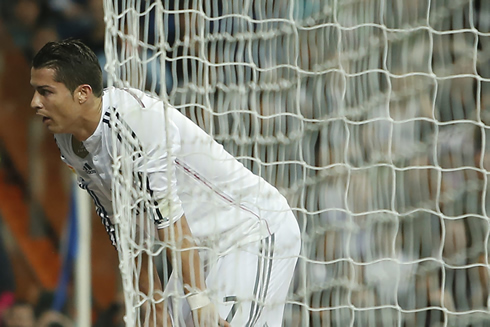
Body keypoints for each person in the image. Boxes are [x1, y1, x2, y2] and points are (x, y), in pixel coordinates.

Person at [29, 39, 301, 327]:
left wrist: (197, 298)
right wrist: (155, 307)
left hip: (248, 232)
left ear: (82, 93)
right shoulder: (67, 141)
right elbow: (125, 230)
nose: (34, 102)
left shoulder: (135, 121)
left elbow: (168, 218)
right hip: (197, 250)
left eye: (45, 92)